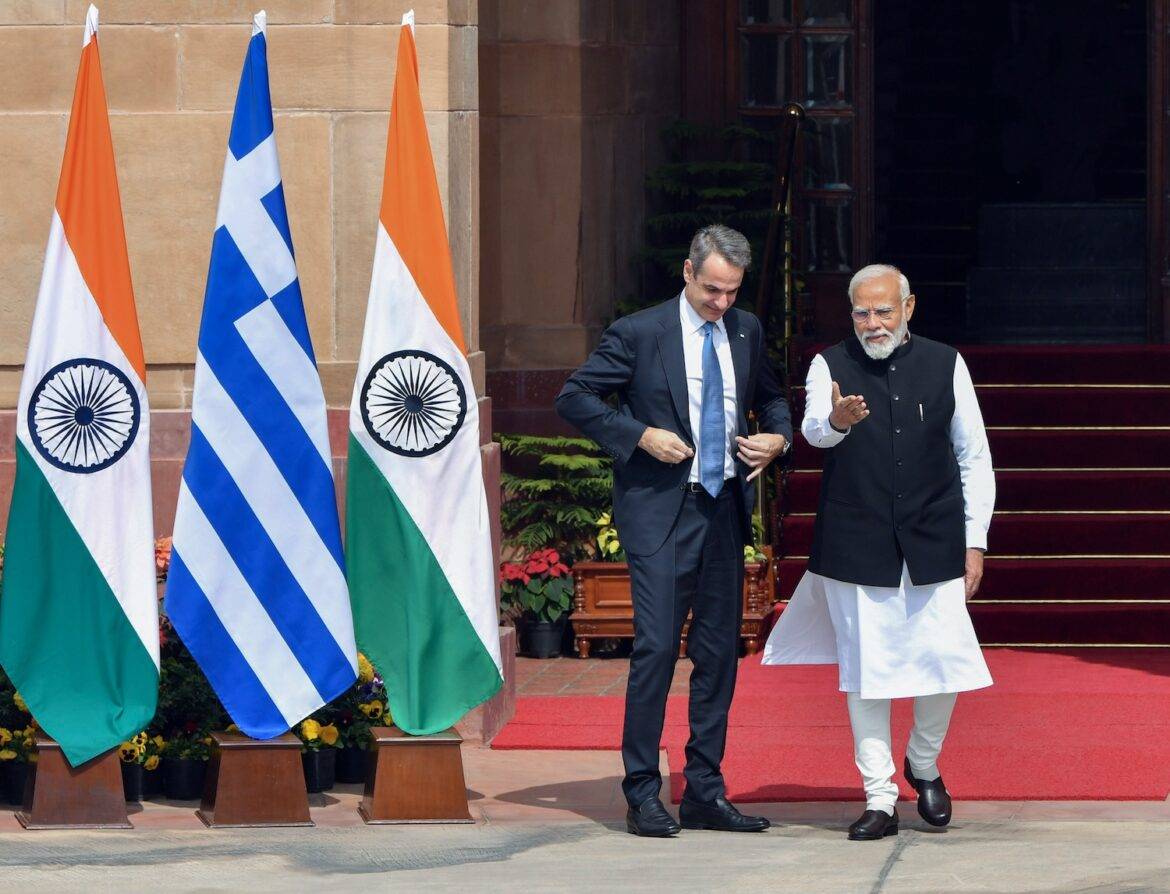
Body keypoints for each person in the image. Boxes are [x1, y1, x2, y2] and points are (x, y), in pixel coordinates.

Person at [556, 225, 792, 837]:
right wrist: (638, 435)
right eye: (711, 289)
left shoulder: (746, 329)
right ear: (687, 273)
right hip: (663, 513)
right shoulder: (639, 332)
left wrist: (777, 436)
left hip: (723, 512)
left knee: (719, 655)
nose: (720, 302)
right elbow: (575, 397)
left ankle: (705, 791)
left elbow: (771, 396)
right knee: (658, 649)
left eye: (731, 292)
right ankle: (642, 791)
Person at [763, 263, 995, 841]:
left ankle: (924, 762)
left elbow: (974, 456)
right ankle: (880, 795)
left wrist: (975, 539)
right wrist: (837, 422)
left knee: (944, 664)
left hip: (933, 536)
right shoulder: (829, 363)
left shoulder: (946, 363)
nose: (873, 323)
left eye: (884, 311)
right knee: (866, 676)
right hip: (856, 540)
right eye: (862, 312)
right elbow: (815, 430)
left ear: (908, 307)